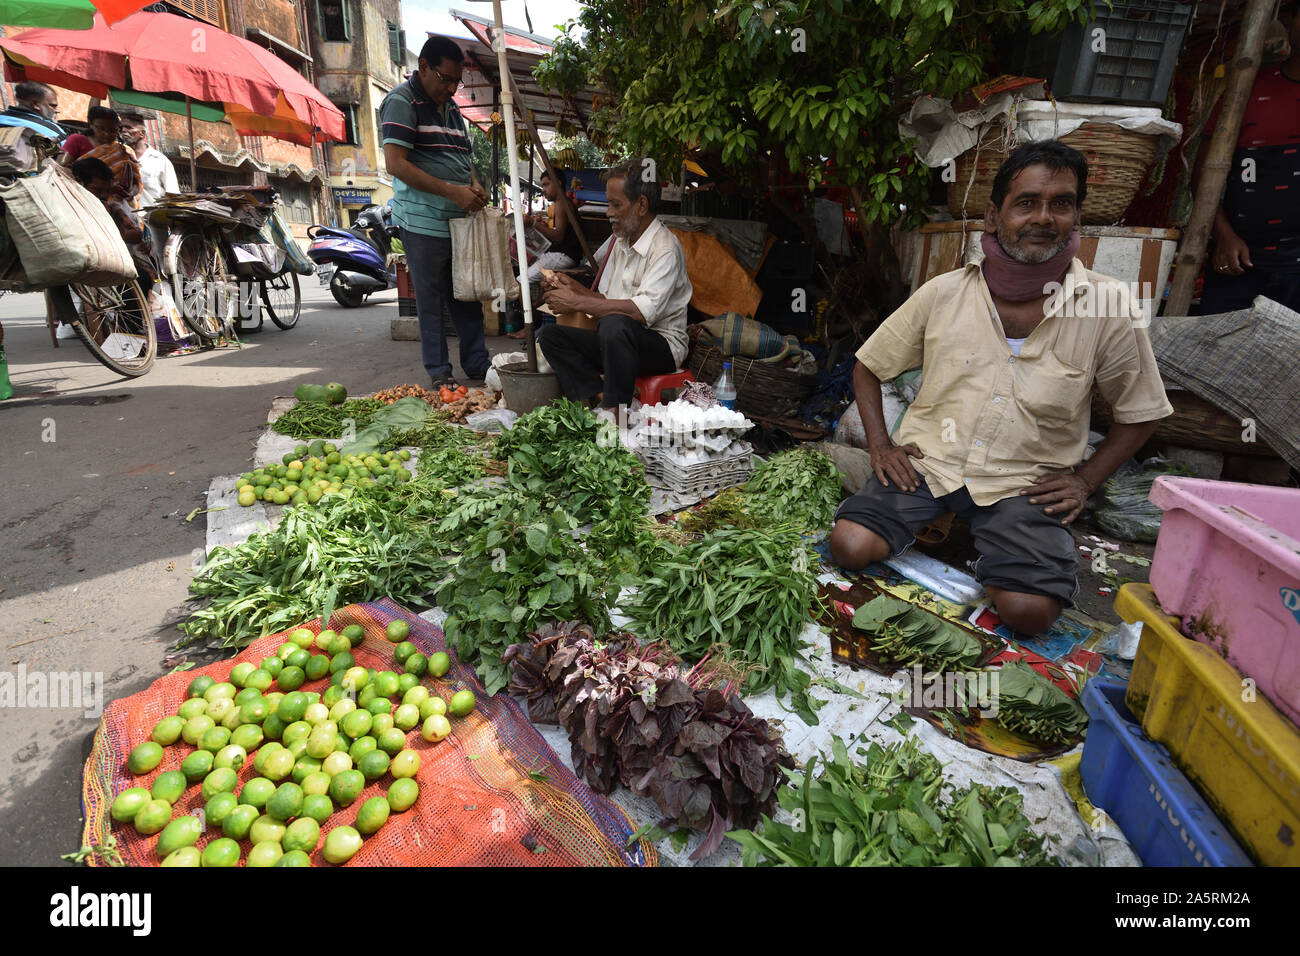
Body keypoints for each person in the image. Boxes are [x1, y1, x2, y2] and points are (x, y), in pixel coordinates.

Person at [828, 140, 1173, 636]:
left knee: (1028, 615)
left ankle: (998, 545)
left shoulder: (1107, 304)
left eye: (1061, 204)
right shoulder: (943, 293)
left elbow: (1143, 412)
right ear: (994, 216)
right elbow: (867, 366)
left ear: (1076, 218)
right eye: (1027, 202)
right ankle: (944, 525)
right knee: (850, 547)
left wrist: (1084, 481)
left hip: (1024, 481)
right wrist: (880, 445)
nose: (1044, 217)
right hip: (932, 464)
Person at [380, 36, 491, 388]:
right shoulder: (400, 102)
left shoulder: (453, 108)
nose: (452, 88)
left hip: (459, 220)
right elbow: (396, 164)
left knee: (466, 293)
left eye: (457, 82)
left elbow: (463, 158)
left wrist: (473, 184)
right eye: (446, 79)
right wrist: (451, 191)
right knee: (430, 299)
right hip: (423, 221)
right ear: (423, 67)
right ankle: (440, 372)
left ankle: (477, 364)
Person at [538, 157, 692, 409]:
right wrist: (572, 288)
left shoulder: (665, 248)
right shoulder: (620, 241)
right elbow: (606, 302)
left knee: (613, 324)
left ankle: (615, 410)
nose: (608, 212)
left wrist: (577, 301)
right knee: (550, 336)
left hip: (660, 347)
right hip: (617, 341)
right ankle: (597, 399)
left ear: (641, 205)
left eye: (615, 204)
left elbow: (639, 312)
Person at [1197, 2, 1300, 314]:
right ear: (1290, 20)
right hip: (1237, 262)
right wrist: (1223, 234)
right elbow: (1203, 174)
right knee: (1218, 358)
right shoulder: (1247, 90)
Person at [524, 170, 584, 280]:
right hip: (565, 255)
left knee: (522, 281)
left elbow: (558, 237)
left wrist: (533, 223)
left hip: (564, 256)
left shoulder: (561, 203)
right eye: (542, 186)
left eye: (546, 185)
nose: (543, 190)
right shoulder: (561, 202)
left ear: (558, 183)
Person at [119, 111, 177, 209]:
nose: (124, 131)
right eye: (121, 128)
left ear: (142, 133)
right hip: (122, 218)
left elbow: (172, 195)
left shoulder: (160, 161)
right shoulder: (117, 155)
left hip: (150, 219)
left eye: (129, 128)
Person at [84, 106, 140, 204]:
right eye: (101, 128)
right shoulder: (77, 141)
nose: (106, 134)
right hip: (86, 201)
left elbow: (136, 182)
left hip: (119, 204)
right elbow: (63, 170)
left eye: (112, 130)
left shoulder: (126, 151)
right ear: (91, 124)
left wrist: (129, 194)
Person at [0, 81, 65, 139]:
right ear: (35, 104)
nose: (57, 111)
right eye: (52, 106)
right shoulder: (53, 131)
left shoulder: (2, 118)